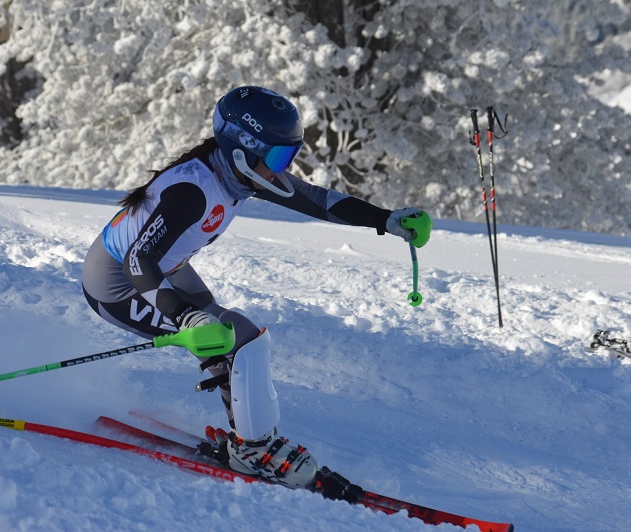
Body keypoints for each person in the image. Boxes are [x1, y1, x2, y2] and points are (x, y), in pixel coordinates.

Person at [82, 86, 431, 489]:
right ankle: (255, 449)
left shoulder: (237, 173)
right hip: (120, 284)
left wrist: (385, 219)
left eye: (290, 156)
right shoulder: (192, 191)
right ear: (241, 150)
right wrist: (185, 315)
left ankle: (247, 441)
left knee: (222, 341)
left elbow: (318, 200)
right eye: (278, 156)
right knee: (243, 340)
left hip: (164, 267)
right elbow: (137, 260)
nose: (282, 168)